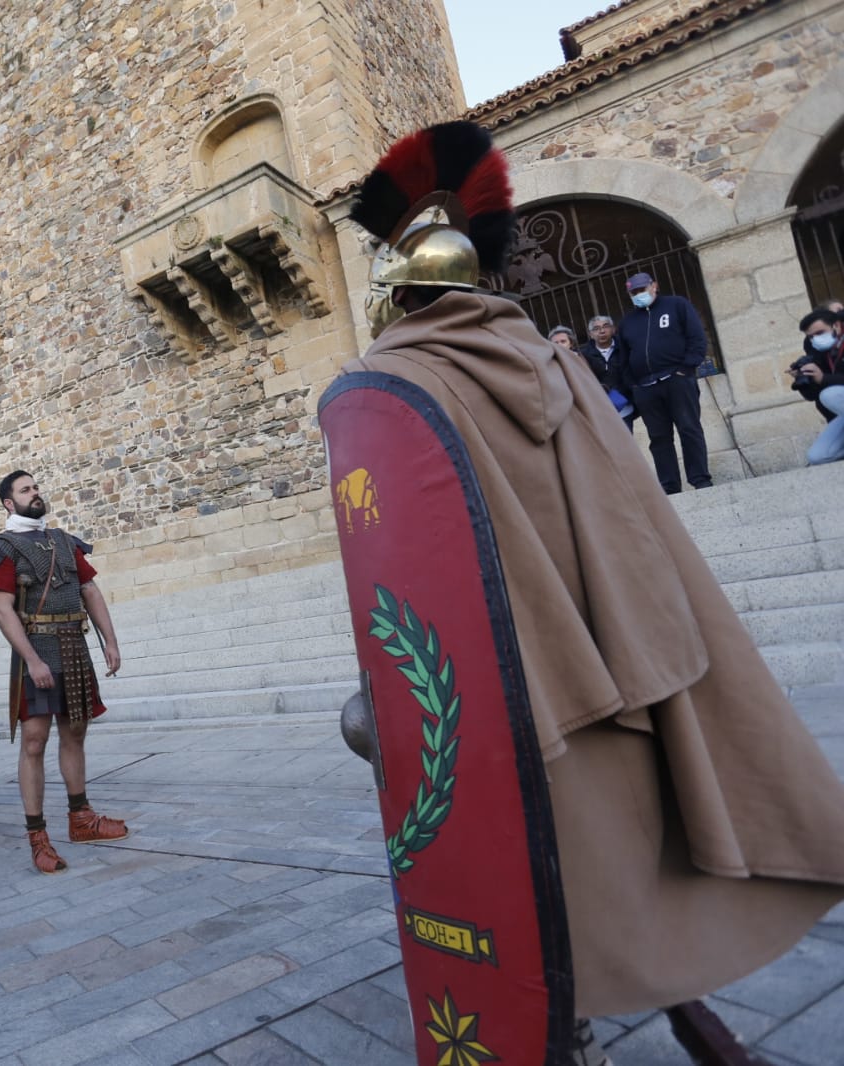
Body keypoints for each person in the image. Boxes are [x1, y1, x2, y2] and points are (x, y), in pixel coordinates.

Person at [343, 120, 844, 1058]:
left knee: (488, 818)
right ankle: (681, 1004)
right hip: (614, 634)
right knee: (626, 827)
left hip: (489, 663)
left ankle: (562, 1022)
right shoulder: (554, 360)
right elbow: (629, 510)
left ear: (399, 298)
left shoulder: (388, 380)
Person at [0, 471, 127, 876]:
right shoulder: (2, 548)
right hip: (39, 649)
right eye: (26, 490)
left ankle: (81, 819)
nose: (35, 493)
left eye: (36, 487)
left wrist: (109, 642)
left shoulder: (63, 541)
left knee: (75, 730)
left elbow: (90, 591)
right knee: (33, 741)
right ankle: (37, 837)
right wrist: (31, 659)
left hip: (75, 647)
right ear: (9, 503)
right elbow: (2, 609)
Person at [616, 271, 712, 493]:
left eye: (641, 290)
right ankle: (669, 485)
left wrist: (686, 369)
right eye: (633, 292)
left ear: (654, 286)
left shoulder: (677, 305)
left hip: (677, 379)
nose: (638, 295)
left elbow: (697, 338)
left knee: (689, 428)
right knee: (658, 438)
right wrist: (634, 385)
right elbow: (623, 357)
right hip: (646, 387)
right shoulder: (628, 322)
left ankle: (700, 479)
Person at [791, 307, 844, 465]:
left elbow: (827, 384)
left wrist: (824, 378)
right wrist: (804, 379)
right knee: (817, 456)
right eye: (811, 336)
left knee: (830, 395)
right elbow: (812, 396)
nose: (815, 339)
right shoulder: (820, 351)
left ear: (836, 325)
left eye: (820, 333)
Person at [577, 314, 634, 428]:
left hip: (624, 403)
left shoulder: (625, 348)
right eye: (596, 329)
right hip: (599, 407)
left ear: (613, 329)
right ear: (591, 334)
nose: (602, 331)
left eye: (606, 326)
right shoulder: (584, 355)